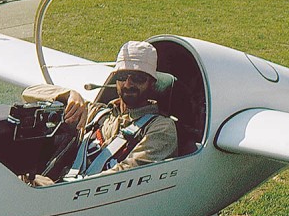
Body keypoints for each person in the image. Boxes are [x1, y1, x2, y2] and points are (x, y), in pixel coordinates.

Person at [21, 41, 178, 186]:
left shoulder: (161, 128)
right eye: (122, 77)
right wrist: (69, 94)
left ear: (152, 83)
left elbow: (125, 175)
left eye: (138, 78)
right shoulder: (97, 113)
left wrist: (57, 189)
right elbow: (29, 92)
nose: (128, 84)